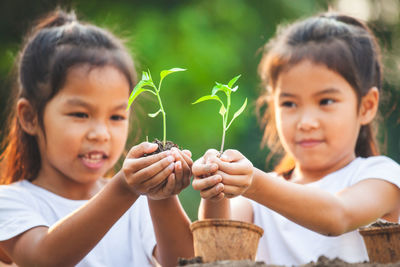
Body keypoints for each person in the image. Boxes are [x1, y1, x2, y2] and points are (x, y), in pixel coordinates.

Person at [192, 13, 400, 266]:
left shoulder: (383, 177)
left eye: (326, 101)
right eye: (289, 103)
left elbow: (338, 216)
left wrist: (254, 183)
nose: (306, 122)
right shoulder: (254, 200)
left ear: (366, 106)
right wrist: (215, 189)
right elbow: (218, 248)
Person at [0, 9, 194, 267]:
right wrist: (125, 187)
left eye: (116, 117)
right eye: (80, 114)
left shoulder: (140, 207)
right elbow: (42, 259)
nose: (101, 134)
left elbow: (188, 262)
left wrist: (161, 196)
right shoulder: (11, 202)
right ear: (30, 117)